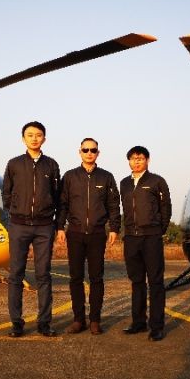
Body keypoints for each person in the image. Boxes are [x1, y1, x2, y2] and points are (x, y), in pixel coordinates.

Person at [56, 138, 121, 335]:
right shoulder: (70, 176)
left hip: (97, 234)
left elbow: (113, 205)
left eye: (93, 150)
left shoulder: (106, 177)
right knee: (75, 277)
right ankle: (78, 320)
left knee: (96, 278)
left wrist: (114, 228)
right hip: (75, 233)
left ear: (98, 153)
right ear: (80, 152)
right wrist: (60, 227)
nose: (89, 153)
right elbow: (63, 204)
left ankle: (94, 320)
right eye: (86, 150)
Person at [3, 121, 60, 338]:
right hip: (19, 226)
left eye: (38, 135)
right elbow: (6, 193)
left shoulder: (51, 165)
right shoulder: (14, 164)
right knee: (16, 275)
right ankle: (16, 323)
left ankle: (44, 322)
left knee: (43, 274)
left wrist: (53, 219)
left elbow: (57, 195)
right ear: (23, 138)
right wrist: (16, 211)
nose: (34, 138)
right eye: (30, 135)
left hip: (44, 227)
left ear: (44, 138)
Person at [120, 145, 171, 341]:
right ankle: (138, 322)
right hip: (131, 238)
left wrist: (158, 230)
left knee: (155, 282)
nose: (137, 161)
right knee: (137, 281)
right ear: (129, 161)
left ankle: (157, 326)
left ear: (147, 160)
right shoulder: (124, 183)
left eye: (140, 158)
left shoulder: (157, 181)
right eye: (133, 158)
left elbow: (166, 208)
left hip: (151, 237)